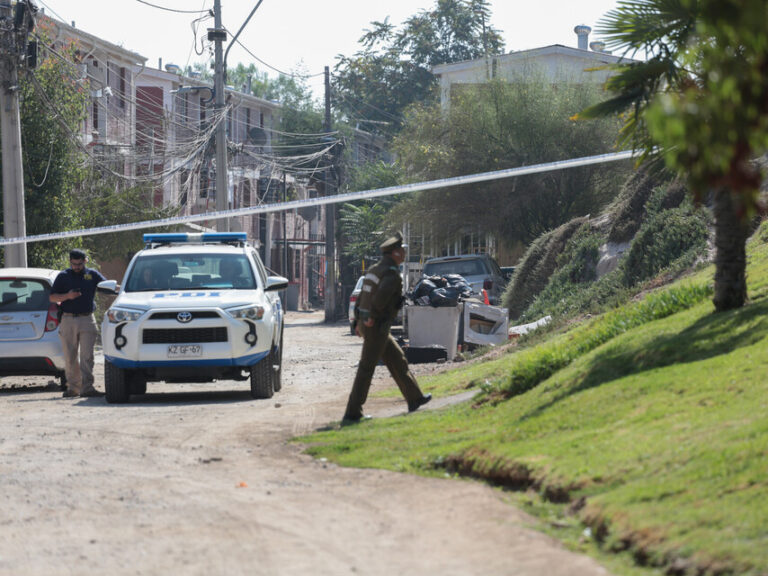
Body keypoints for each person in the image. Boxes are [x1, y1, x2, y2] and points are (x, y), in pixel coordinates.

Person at [343, 232, 431, 423]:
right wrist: (370, 318)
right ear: (395, 253)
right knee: (366, 368)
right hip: (376, 326)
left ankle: (414, 398)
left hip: (371, 325)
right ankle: (352, 412)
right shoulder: (391, 274)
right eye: (402, 250)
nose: (404, 253)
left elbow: (362, 297)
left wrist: (358, 321)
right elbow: (379, 300)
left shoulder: (374, 270)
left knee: (398, 360)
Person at [50, 249, 107, 398]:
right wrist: (68, 296)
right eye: (73, 264)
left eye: (79, 264)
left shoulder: (92, 275)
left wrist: (125, 289)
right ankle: (73, 388)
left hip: (87, 319)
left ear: (85, 261)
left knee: (87, 356)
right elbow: (52, 297)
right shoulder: (63, 276)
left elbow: (108, 287)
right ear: (70, 262)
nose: (76, 267)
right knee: (70, 356)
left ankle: (87, 388)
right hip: (68, 319)